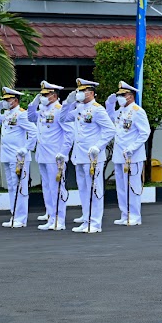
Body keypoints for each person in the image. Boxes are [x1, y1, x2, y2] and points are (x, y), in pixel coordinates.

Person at [59, 78, 115, 233]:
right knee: (83, 190)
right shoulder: (79, 109)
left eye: (82, 91)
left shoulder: (98, 109)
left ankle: (95, 223)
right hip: (79, 155)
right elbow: (62, 119)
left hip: (93, 157)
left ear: (91, 93)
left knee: (94, 189)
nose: (79, 93)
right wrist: (66, 104)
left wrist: (98, 146)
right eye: (79, 91)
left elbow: (110, 129)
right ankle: (86, 220)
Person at [27, 81, 74, 230]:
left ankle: (59, 220)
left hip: (55, 156)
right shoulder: (42, 110)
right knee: (47, 188)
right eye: (42, 95)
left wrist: (63, 152)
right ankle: (51, 217)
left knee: (57, 188)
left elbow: (69, 133)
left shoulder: (60, 110)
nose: (43, 97)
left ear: (54, 96)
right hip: (43, 155)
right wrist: (33, 104)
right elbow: (30, 117)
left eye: (46, 95)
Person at [105, 81, 151, 226]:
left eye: (122, 95)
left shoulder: (138, 111)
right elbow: (110, 117)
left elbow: (145, 132)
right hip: (119, 155)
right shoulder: (121, 111)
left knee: (133, 186)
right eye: (119, 95)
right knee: (121, 187)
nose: (120, 97)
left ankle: (135, 216)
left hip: (133, 156)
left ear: (130, 96)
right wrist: (110, 104)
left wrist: (133, 147)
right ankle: (125, 214)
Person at [0, 87, 37, 228]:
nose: (5, 102)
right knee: (11, 187)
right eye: (4, 99)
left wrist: (26, 148)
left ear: (15, 101)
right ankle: (14, 215)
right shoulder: (7, 113)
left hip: (19, 157)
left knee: (20, 187)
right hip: (7, 155)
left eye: (7, 100)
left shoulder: (22, 114)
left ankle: (21, 218)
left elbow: (34, 132)